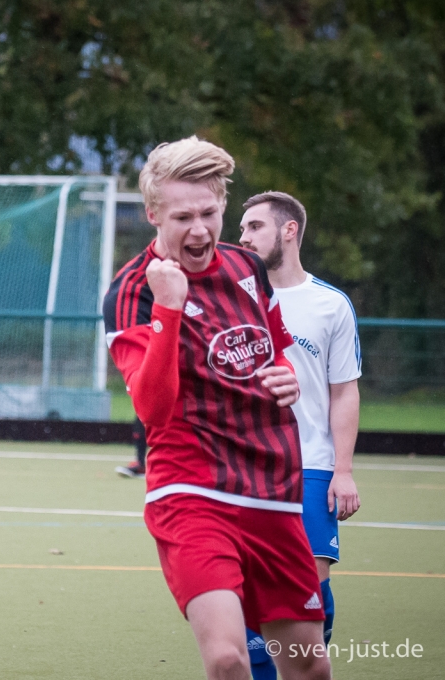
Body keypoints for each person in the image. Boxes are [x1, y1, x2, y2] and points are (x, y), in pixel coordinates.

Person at [103, 137, 331, 680]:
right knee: (228, 658)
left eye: (209, 213)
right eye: (183, 217)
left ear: (224, 206)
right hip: (192, 492)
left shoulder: (248, 266)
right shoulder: (131, 291)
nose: (200, 230)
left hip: (272, 492)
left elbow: (276, 347)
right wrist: (169, 308)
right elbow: (152, 408)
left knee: (310, 666)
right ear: (153, 214)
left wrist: (286, 374)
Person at [238, 191, 362, 680]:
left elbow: (343, 391)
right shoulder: (233, 297)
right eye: (242, 228)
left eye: (254, 227)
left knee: (310, 587)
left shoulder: (331, 304)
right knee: (252, 593)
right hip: (245, 467)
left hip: (309, 465)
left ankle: (307, 664)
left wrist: (343, 470)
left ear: (289, 231)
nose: (243, 237)